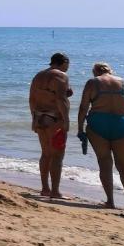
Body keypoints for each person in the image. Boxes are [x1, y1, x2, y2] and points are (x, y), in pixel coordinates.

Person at [77, 62, 124, 211]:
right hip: (123, 124)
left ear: (94, 72)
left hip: (99, 124)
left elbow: (83, 108)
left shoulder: (92, 83)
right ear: (111, 71)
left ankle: (110, 202)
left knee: (105, 163)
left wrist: (80, 128)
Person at [29, 52, 72, 199]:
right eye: (68, 64)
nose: (68, 68)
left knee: (46, 153)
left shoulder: (38, 76)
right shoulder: (61, 75)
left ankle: (45, 188)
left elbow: (32, 99)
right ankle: (55, 191)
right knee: (57, 156)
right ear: (64, 62)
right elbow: (61, 100)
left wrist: (33, 118)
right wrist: (66, 120)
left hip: (40, 117)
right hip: (55, 119)